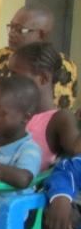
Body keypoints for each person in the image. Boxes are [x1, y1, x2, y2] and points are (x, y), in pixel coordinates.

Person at [0, 5, 78, 111]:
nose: (11, 33)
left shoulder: (61, 66)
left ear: (41, 34)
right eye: (11, 26)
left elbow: (53, 111)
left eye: (19, 29)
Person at [9, 41, 81, 170]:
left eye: (15, 75)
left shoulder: (60, 118)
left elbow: (76, 151)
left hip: (29, 182)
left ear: (43, 78)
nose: (10, 81)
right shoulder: (15, 112)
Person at [0, 76, 42, 221]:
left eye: (1, 114)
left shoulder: (29, 149)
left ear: (25, 117)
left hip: (9, 219)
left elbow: (23, 179)